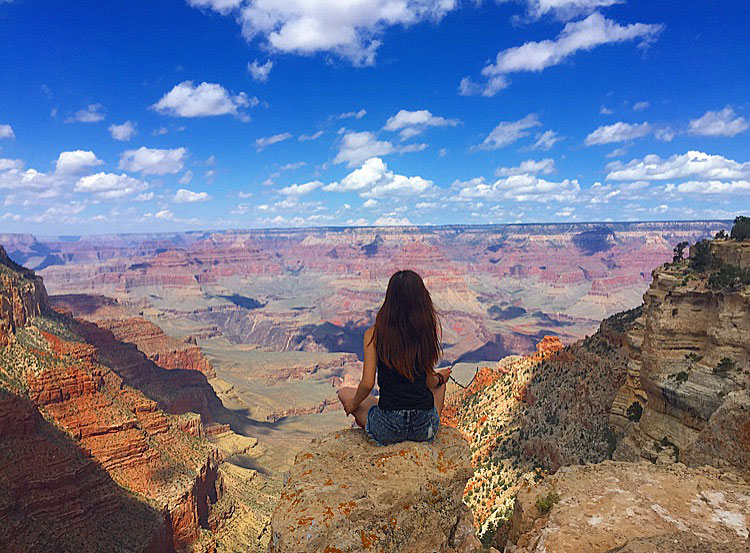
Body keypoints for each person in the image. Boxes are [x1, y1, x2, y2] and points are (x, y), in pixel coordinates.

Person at [337, 270, 451, 445]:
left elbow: (367, 384)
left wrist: (353, 404)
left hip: (388, 429)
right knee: (440, 386)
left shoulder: (374, 334)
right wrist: (441, 377)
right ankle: (425, 436)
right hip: (423, 429)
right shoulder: (426, 331)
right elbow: (428, 382)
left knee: (345, 392)